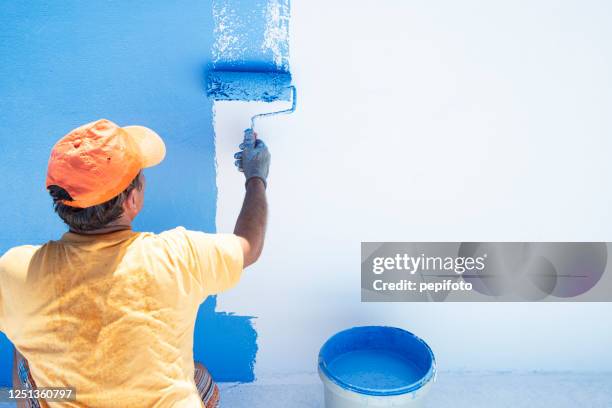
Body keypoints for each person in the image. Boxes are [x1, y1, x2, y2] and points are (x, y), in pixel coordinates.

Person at [0, 119, 270, 407]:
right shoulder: (178, 257)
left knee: (23, 339)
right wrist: (256, 177)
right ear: (131, 200)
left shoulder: (17, 271)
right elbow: (248, 246)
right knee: (199, 377)